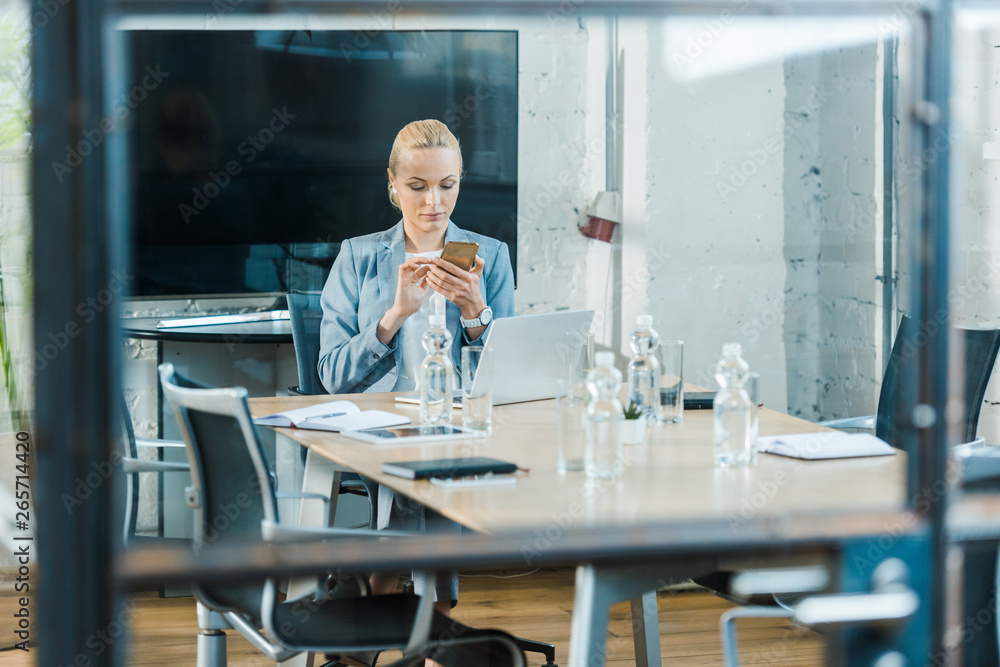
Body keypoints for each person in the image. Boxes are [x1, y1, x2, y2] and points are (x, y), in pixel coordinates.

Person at [317, 119, 516, 654]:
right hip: (374, 429)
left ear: (460, 182)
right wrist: (393, 315)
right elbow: (334, 374)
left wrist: (477, 314)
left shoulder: (488, 256)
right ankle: (430, 629)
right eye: (418, 186)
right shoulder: (358, 257)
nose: (434, 202)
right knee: (419, 462)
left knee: (434, 453)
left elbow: (507, 376)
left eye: (447, 185)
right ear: (392, 184)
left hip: (454, 426)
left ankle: (382, 609)